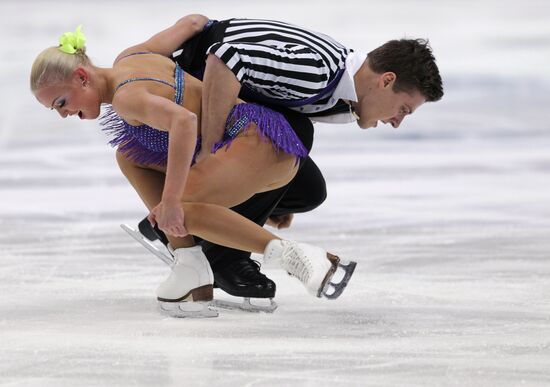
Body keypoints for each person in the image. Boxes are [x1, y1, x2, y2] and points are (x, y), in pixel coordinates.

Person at [30, 26, 356, 317]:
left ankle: (301, 259)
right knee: (128, 154)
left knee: (178, 211)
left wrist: (171, 201)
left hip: (259, 142)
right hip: (262, 143)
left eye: (61, 102)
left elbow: (184, 123)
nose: (63, 114)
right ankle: (191, 267)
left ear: (82, 78)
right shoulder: (131, 56)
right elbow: (194, 21)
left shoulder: (127, 97)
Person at [129, 14, 444, 302]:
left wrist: (273, 193)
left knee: (305, 190)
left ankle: (204, 231)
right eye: (403, 109)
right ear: (386, 80)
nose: (397, 121)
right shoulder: (318, 71)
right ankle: (219, 253)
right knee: (296, 135)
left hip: (228, 95)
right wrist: (211, 148)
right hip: (187, 83)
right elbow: (225, 58)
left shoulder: (347, 90)